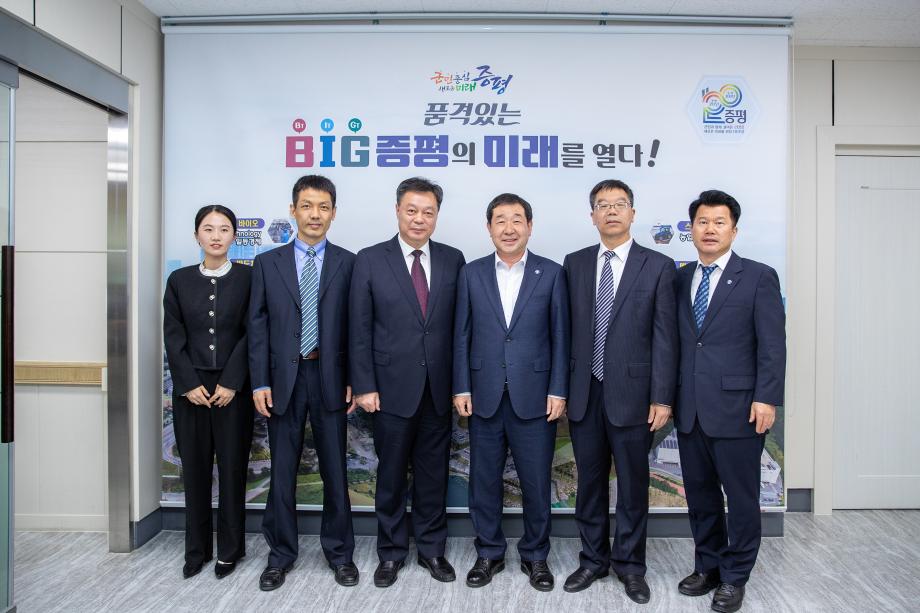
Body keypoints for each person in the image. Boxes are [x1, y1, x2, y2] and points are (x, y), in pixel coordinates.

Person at [562, 180, 678, 603]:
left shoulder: (658, 265)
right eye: (602, 205)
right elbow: (564, 332)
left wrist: (662, 397)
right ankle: (592, 560)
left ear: (632, 213)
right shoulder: (574, 264)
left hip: (635, 396)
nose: (611, 211)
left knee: (632, 486)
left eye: (619, 204)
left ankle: (630, 566)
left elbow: (666, 337)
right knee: (589, 484)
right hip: (584, 392)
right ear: (592, 215)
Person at [349, 177, 466, 588]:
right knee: (391, 476)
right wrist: (364, 385)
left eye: (428, 212)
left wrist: (459, 385)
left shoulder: (453, 259)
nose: (419, 219)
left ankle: (432, 550)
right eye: (412, 210)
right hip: (388, 390)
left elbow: (460, 329)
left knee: (434, 476)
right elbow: (359, 329)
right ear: (397, 210)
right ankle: (391, 552)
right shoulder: (369, 259)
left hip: (437, 389)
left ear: (437, 216)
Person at [674, 190, 786, 613]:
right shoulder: (680, 278)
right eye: (702, 222)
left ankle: (735, 576)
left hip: (740, 409)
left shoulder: (758, 276)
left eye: (719, 222)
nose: (710, 229)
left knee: (740, 499)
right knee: (700, 496)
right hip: (690, 408)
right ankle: (708, 566)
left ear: (733, 230)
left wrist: (767, 398)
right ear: (691, 229)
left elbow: (772, 344)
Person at [453, 193, 570, 592]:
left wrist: (558, 389)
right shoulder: (470, 273)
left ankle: (536, 556)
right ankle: (489, 552)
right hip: (483, 394)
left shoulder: (551, 273)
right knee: (483, 481)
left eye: (517, 220)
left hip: (535, 397)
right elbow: (461, 335)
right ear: (489, 228)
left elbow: (561, 336)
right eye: (500, 220)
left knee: (536, 483)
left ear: (530, 227)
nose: (509, 228)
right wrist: (461, 386)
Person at [249, 175, 358, 590]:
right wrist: (259, 381)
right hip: (283, 380)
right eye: (307, 206)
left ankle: (340, 554)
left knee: (335, 471)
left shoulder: (349, 263)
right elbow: (257, 327)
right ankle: (280, 555)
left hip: (330, 378)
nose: (315, 214)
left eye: (324, 207)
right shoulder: (267, 263)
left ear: (334, 213)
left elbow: (357, 328)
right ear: (293, 210)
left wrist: (354, 378)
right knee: (282, 472)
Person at [163, 204, 254, 580]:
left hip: (234, 390)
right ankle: (196, 550)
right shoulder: (179, 280)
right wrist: (187, 385)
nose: (216, 236)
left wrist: (232, 382)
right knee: (195, 471)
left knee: (232, 470)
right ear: (196, 235)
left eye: (224, 229)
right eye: (208, 229)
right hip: (192, 392)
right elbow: (173, 336)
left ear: (234, 235)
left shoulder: (249, 278)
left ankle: (230, 550)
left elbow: (252, 332)